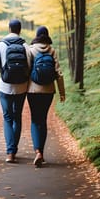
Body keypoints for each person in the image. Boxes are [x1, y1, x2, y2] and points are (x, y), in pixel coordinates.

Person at [0, 19, 31, 163]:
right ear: (20, 29)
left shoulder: (1, 45)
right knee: (17, 117)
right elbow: (30, 67)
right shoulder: (25, 46)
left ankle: (10, 152)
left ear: (9, 29)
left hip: (5, 87)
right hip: (21, 87)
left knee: (7, 117)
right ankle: (14, 149)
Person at [27, 26, 65, 167]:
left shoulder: (31, 50)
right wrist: (62, 92)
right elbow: (59, 73)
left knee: (35, 120)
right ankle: (41, 152)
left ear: (37, 36)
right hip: (49, 91)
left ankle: (38, 152)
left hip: (33, 90)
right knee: (43, 120)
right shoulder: (52, 50)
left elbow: (27, 70)